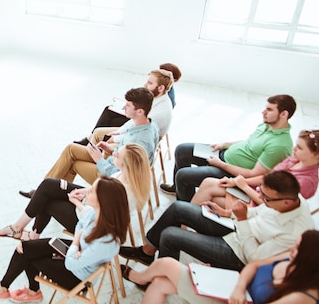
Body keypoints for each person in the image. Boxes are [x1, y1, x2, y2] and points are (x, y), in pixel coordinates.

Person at [119, 171, 314, 271]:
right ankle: (147, 251)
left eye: (268, 198)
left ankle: (158, 277)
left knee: (170, 236)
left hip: (238, 253)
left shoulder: (294, 233)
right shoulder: (290, 199)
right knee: (178, 208)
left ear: (287, 202)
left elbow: (253, 258)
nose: (263, 200)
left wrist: (242, 220)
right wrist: (227, 212)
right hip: (237, 226)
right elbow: (262, 211)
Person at [0, 177, 130, 303]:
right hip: (77, 256)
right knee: (25, 247)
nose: (87, 190)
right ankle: (24, 290)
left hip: (76, 276)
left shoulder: (106, 241)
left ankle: (9, 290)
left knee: (26, 254)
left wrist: (76, 242)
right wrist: (75, 203)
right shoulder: (102, 217)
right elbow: (84, 219)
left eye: (92, 190)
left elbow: (71, 263)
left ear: (103, 201)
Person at [19, 87, 158, 198]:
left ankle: (48, 192)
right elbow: (125, 157)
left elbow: (119, 176)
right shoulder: (147, 125)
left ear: (140, 111)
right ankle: (48, 190)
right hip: (111, 160)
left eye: (128, 105)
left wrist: (99, 160)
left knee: (72, 164)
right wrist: (109, 148)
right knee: (71, 149)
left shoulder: (139, 141)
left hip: (111, 178)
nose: (123, 108)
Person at [0, 144, 151, 240]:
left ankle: (30, 234)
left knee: (45, 199)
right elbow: (97, 190)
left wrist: (76, 201)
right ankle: (20, 229)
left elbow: (94, 216)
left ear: (128, 164)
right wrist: (83, 192)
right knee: (48, 185)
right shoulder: (123, 174)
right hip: (88, 202)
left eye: (117, 154)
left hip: (88, 222)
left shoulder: (123, 192)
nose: (114, 153)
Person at [120, 229, 319, 304]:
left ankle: (139, 278)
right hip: (234, 286)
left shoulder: (300, 297)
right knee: (161, 283)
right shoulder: (292, 257)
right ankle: (141, 279)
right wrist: (238, 286)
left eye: (297, 247)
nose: (292, 248)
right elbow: (255, 265)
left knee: (165, 265)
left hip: (229, 299)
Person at [160, 94, 296, 201]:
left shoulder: (280, 145)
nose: (263, 112)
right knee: (182, 150)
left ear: (284, 114)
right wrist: (224, 145)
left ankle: (186, 207)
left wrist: (220, 165)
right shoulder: (267, 125)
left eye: (269, 109)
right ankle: (179, 190)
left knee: (183, 176)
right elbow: (249, 142)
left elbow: (254, 174)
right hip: (223, 155)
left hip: (231, 172)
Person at [191, 129, 319, 208]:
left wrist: (244, 186)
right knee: (208, 182)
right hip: (253, 192)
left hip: (259, 208)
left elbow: (272, 207)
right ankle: (183, 224)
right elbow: (267, 177)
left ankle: (183, 224)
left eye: (300, 147)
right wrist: (236, 182)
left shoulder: (307, 182)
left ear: (316, 155)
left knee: (210, 196)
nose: (293, 148)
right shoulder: (295, 159)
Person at [75, 68, 174, 145]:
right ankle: (91, 142)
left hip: (141, 137)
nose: (145, 85)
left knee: (110, 122)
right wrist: (118, 131)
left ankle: (94, 148)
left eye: (149, 83)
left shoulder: (160, 113)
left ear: (161, 88)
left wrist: (116, 136)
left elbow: (137, 133)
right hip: (138, 124)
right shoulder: (157, 97)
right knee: (109, 111)